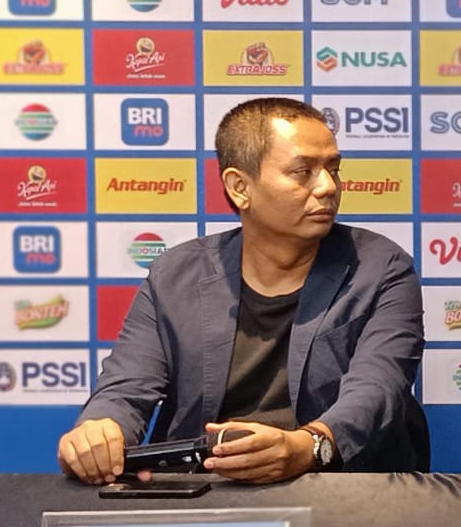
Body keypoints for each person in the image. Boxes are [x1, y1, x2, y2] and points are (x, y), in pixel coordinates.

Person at [58, 97, 429, 484]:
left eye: (333, 169)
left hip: (339, 488)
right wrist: (100, 431)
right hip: (206, 493)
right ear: (239, 187)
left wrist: (309, 446)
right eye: (303, 171)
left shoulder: (382, 267)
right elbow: (126, 388)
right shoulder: (174, 275)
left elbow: (378, 389)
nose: (327, 187)